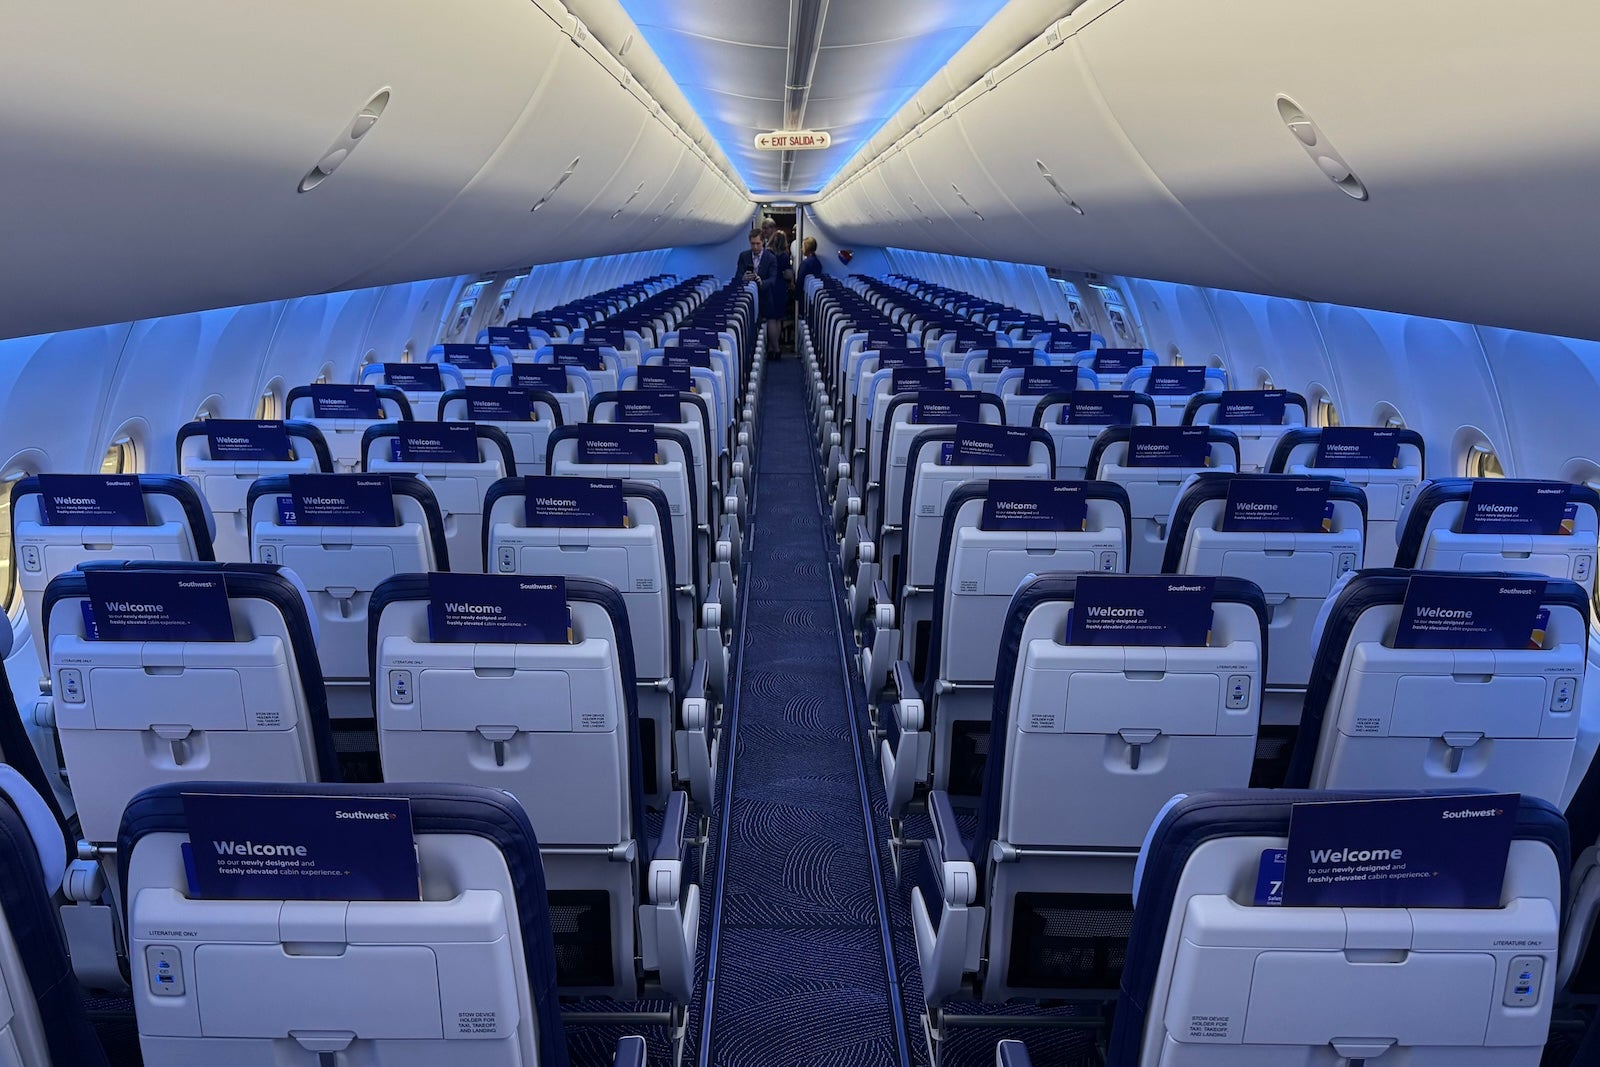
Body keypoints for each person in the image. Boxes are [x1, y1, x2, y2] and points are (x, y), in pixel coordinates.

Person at [764, 231, 792, 358]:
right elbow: (787, 274)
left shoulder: (767, 254)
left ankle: (774, 348)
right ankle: (774, 347)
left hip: (770, 286)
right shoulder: (785, 255)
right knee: (778, 318)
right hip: (781, 286)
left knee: (771, 318)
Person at [795, 236, 823, 316]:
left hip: (804, 295)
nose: (801, 249)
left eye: (803, 247)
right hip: (814, 295)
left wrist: (796, 295)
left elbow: (800, 281)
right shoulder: (817, 262)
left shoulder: (805, 263)